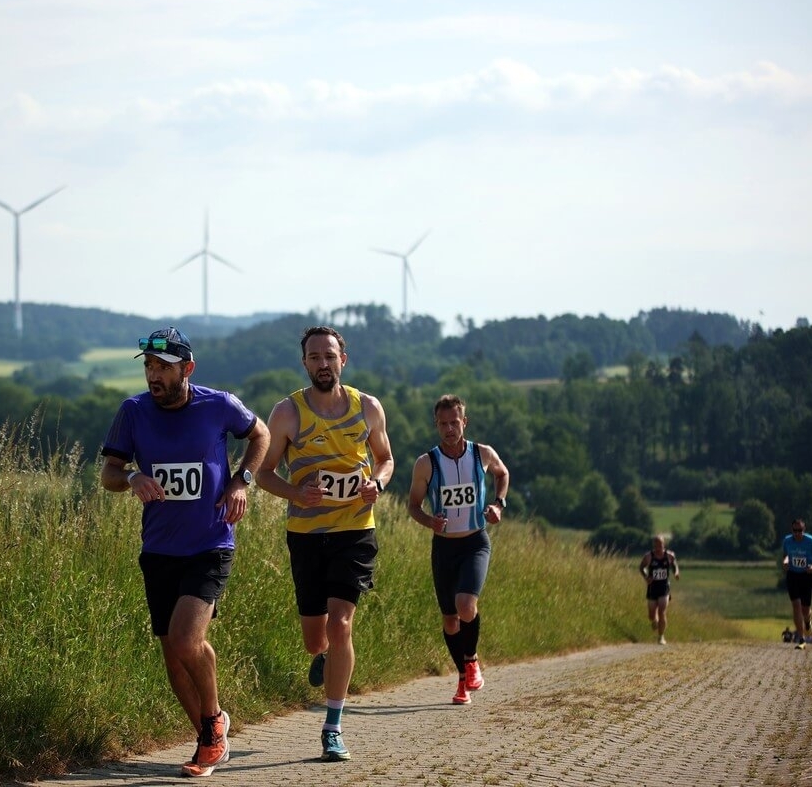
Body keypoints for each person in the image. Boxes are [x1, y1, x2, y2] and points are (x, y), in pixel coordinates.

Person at [100, 327, 270, 778]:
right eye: (149, 367)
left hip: (210, 543)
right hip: (159, 548)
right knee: (172, 655)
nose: (153, 375)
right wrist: (132, 477)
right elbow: (109, 473)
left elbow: (262, 435)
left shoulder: (219, 405)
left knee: (186, 639)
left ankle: (213, 725)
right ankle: (209, 739)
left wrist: (241, 481)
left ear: (187, 369)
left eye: (163, 367)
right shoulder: (133, 412)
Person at [255, 325, 394, 762]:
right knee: (316, 640)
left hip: (355, 529)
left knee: (341, 625)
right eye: (314, 357)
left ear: (342, 360)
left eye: (329, 356)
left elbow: (385, 459)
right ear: (305, 363)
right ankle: (324, 656)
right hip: (307, 536)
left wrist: (377, 484)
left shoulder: (367, 407)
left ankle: (332, 727)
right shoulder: (287, 413)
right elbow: (263, 472)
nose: (322, 364)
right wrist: (297, 494)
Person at [406, 394, 509, 706]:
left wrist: (498, 504)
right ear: (436, 425)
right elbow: (413, 505)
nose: (449, 428)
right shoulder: (427, 463)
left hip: (475, 542)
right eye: (443, 424)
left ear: (465, 422)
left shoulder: (482, 454)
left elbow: (502, 474)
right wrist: (429, 522)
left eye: (455, 422)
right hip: (445, 548)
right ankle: (463, 677)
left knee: (466, 605)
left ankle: (472, 659)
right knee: (450, 620)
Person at [781, 518, 812, 650]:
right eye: (795, 530)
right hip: (793, 575)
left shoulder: (811, 541)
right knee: (796, 606)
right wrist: (785, 561)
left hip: (807, 575)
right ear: (792, 530)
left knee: (805, 609)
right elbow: (786, 555)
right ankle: (801, 639)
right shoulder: (787, 540)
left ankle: (808, 620)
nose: (797, 533)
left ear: (804, 530)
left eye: (800, 530)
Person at [639, 535, 680, 646]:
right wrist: (646, 576)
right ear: (654, 546)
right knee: (651, 615)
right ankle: (654, 621)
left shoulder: (669, 555)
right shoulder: (649, 556)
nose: (658, 548)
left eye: (660, 545)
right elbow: (641, 567)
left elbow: (674, 565)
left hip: (664, 586)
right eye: (656, 546)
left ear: (664, 545)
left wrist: (676, 573)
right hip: (652, 587)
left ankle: (661, 637)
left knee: (662, 611)